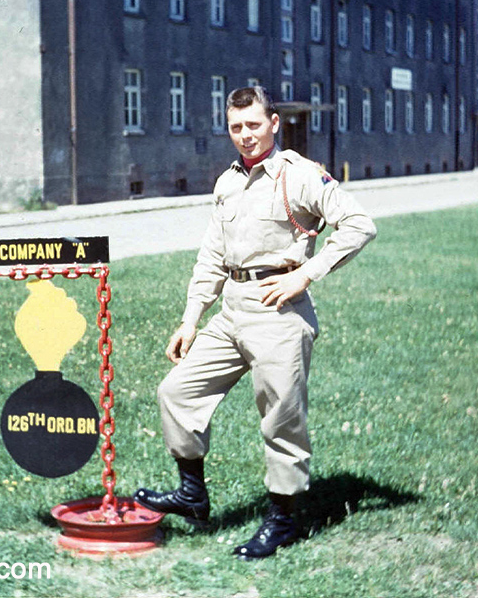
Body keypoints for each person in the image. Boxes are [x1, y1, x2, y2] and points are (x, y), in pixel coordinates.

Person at [134, 86, 377, 560]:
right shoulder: (227, 182)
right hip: (232, 310)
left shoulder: (300, 176)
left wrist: (306, 275)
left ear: (273, 123)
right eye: (236, 127)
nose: (244, 135)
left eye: (253, 124)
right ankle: (192, 495)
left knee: (280, 417)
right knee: (177, 391)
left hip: (279, 314)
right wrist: (190, 319)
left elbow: (359, 224)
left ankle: (284, 520)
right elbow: (212, 254)